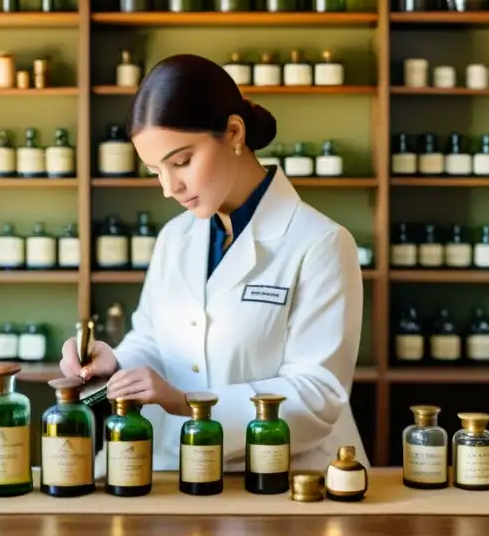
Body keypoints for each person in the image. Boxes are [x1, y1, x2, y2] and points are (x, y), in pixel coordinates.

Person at [60, 53, 367, 473]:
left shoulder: (321, 244)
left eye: (182, 161)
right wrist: (113, 361)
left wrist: (185, 403)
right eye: (156, 171)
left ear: (234, 132)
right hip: (172, 469)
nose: (170, 188)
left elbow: (316, 396)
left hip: (280, 476)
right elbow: (152, 340)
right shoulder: (175, 237)